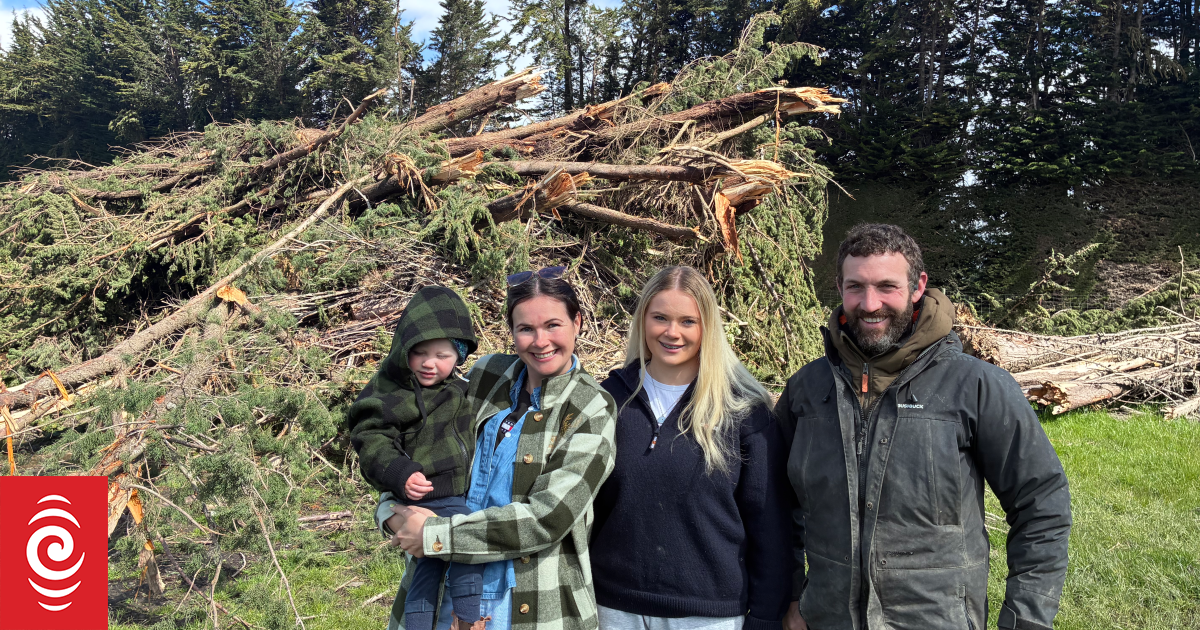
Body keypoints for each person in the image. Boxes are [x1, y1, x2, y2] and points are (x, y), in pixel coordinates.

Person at [776, 224, 1071, 630]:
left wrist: (1026, 619)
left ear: (918, 287)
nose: (870, 303)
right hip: (826, 618)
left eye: (887, 286)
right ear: (839, 288)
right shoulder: (805, 391)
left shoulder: (977, 387)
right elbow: (775, 505)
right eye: (855, 286)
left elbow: (1041, 503)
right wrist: (791, 596)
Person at [379, 266, 618, 630]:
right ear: (512, 332)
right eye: (526, 329)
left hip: (531, 606)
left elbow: (546, 518)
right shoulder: (487, 375)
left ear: (578, 323)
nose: (540, 341)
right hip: (441, 594)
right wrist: (389, 509)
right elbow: (419, 443)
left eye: (553, 325)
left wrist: (435, 535)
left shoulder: (590, 407)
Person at [591, 266, 794, 630]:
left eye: (688, 321)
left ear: (708, 328)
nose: (672, 332)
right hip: (612, 607)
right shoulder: (608, 400)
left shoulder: (743, 411)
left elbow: (770, 524)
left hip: (708, 615)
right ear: (643, 321)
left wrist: (766, 615)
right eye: (660, 318)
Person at [347, 285, 484, 630]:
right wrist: (399, 472)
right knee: (463, 545)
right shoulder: (392, 391)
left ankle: (464, 618)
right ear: (403, 349)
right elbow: (370, 437)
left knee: (432, 563)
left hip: (453, 493)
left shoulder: (460, 389)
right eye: (419, 352)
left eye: (442, 354)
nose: (429, 363)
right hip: (424, 495)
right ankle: (465, 618)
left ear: (460, 356)